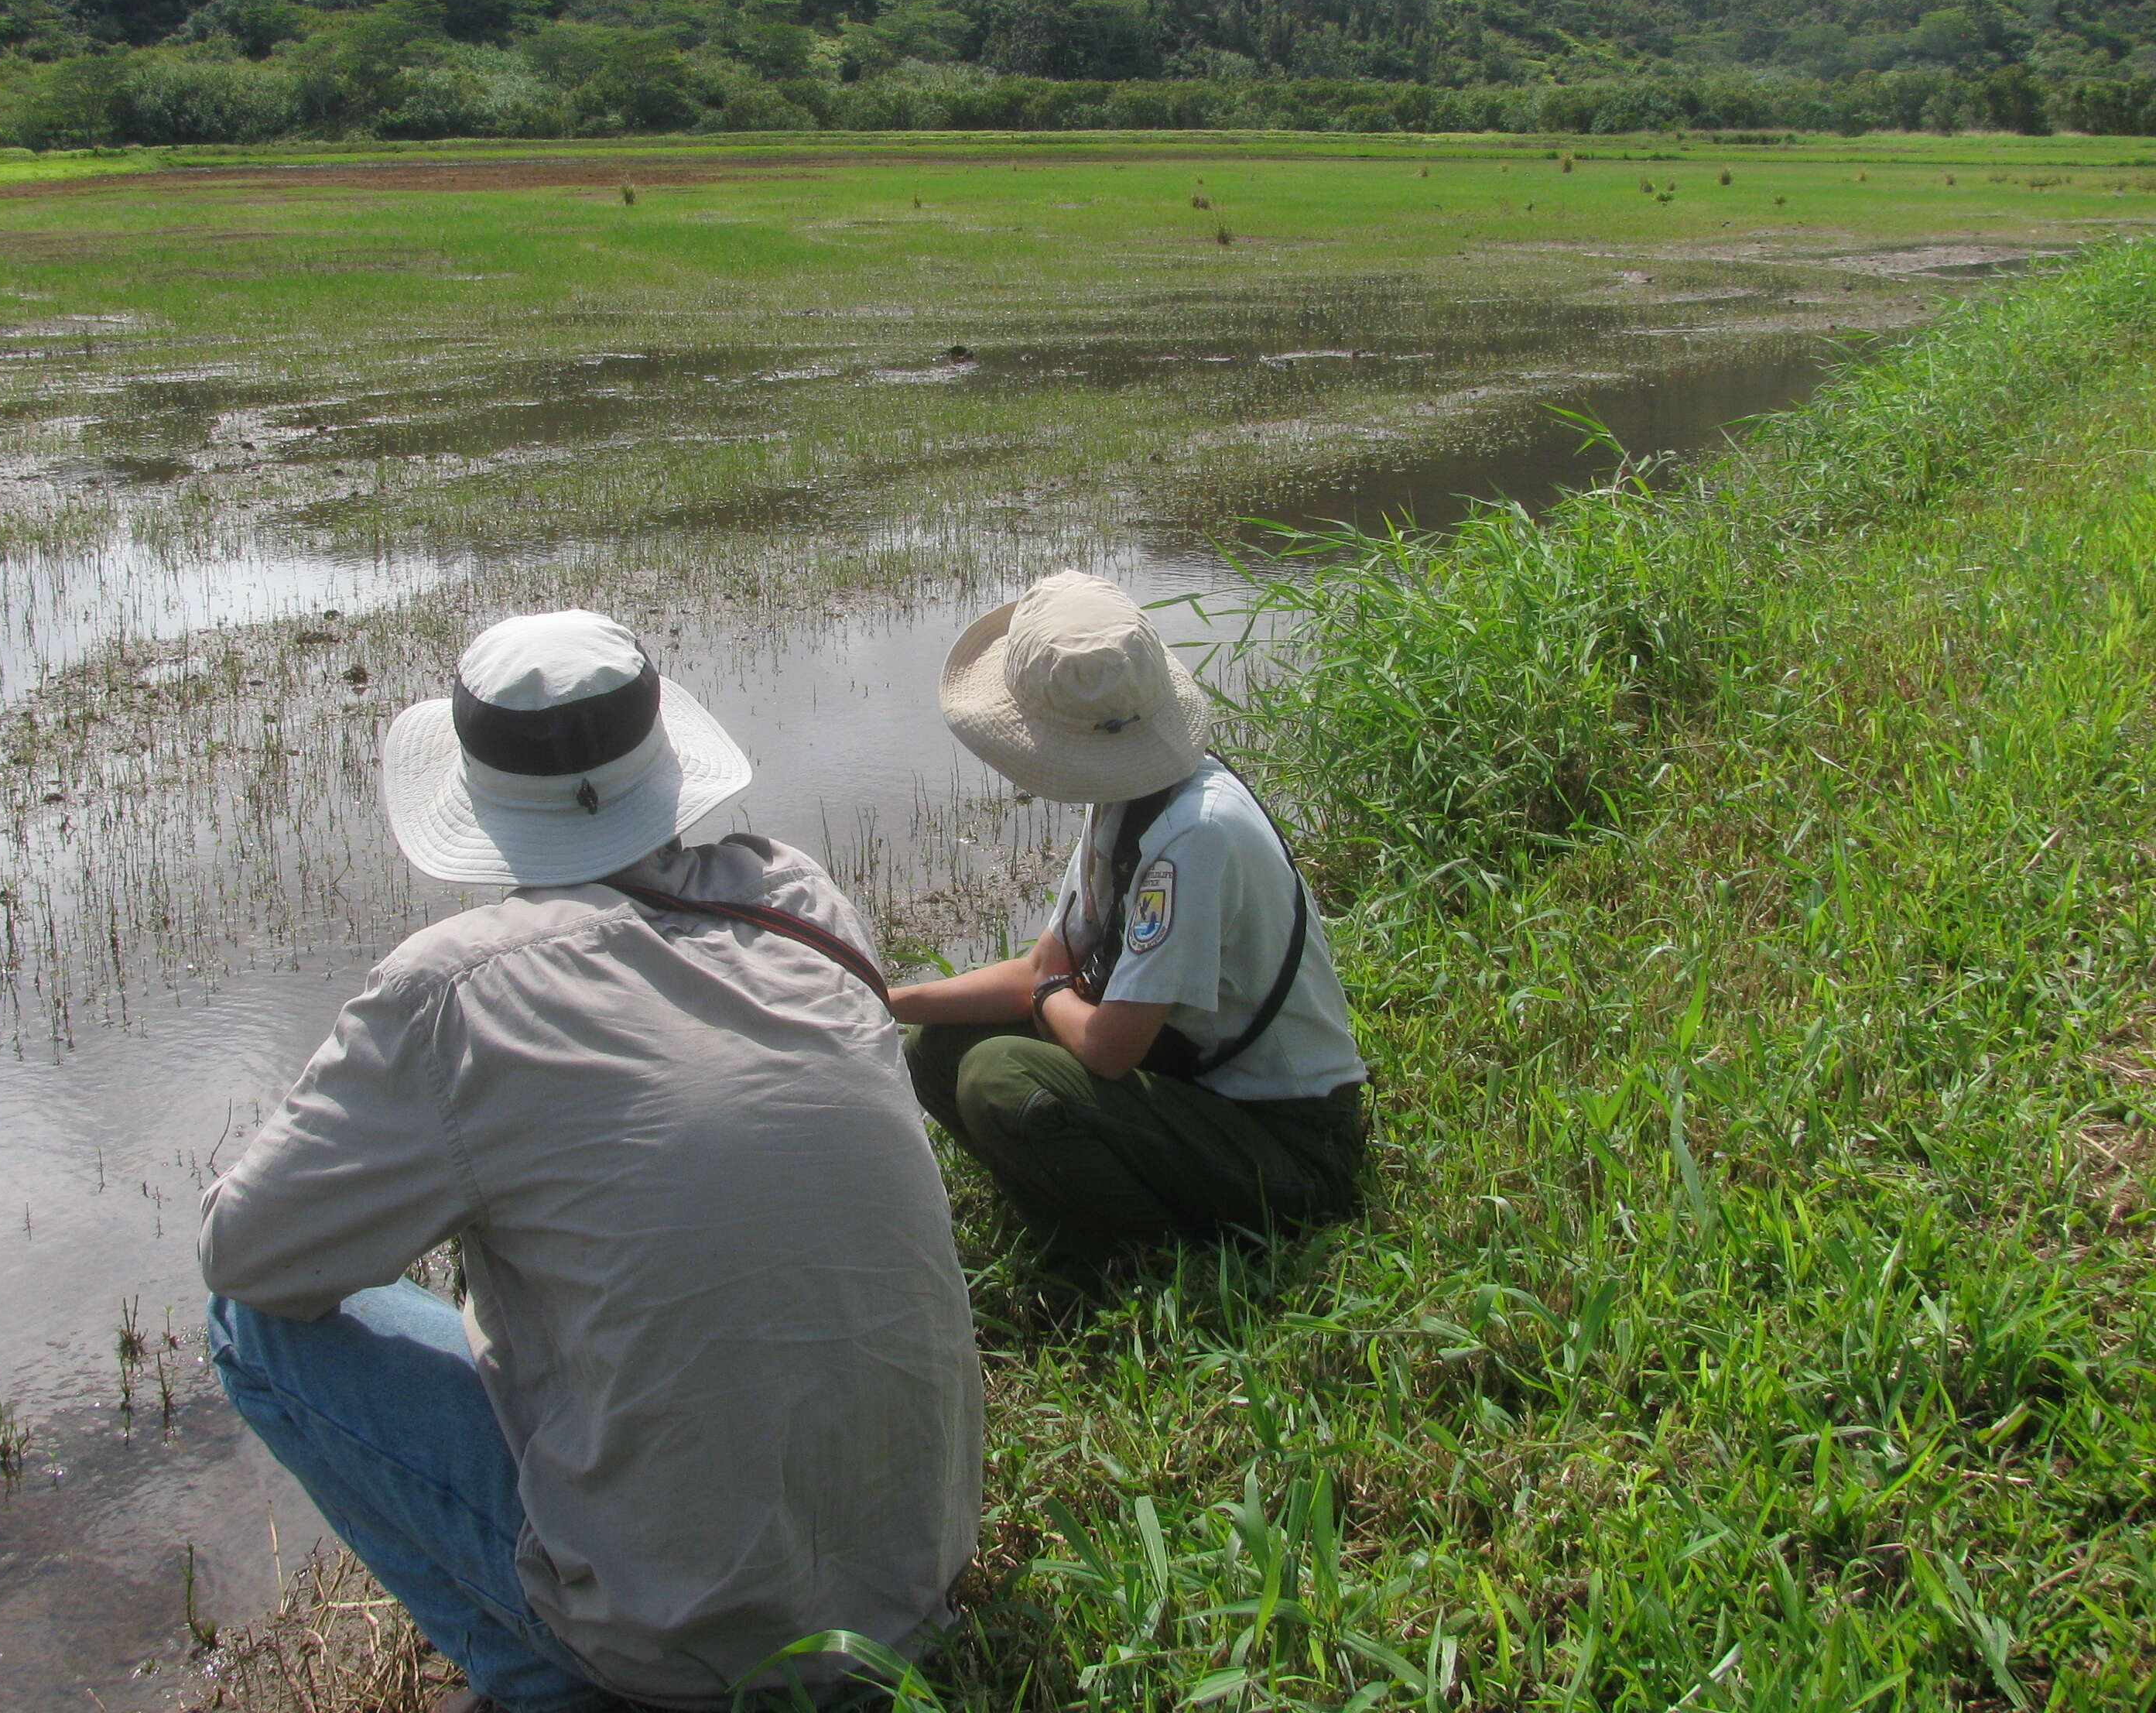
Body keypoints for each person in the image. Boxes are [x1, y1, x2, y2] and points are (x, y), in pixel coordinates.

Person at [200, 609, 982, 1713]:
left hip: (698, 1648)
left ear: (480, 796)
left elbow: (247, 1256)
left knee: (249, 1330)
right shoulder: (797, 894)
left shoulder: (451, 995)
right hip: (912, 1587)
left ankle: (552, 1681)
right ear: (661, 755)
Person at [888, 570, 1367, 1283]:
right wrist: (884, 999)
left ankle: (1128, 1260)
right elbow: (1044, 968)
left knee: (1000, 1076)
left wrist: (1052, 989)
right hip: (1195, 1093)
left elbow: (1110, 1047)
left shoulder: (1197, 833)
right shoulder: (1127, 798)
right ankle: (1075, 1207)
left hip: (1290, 1146)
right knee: (936, 1045)